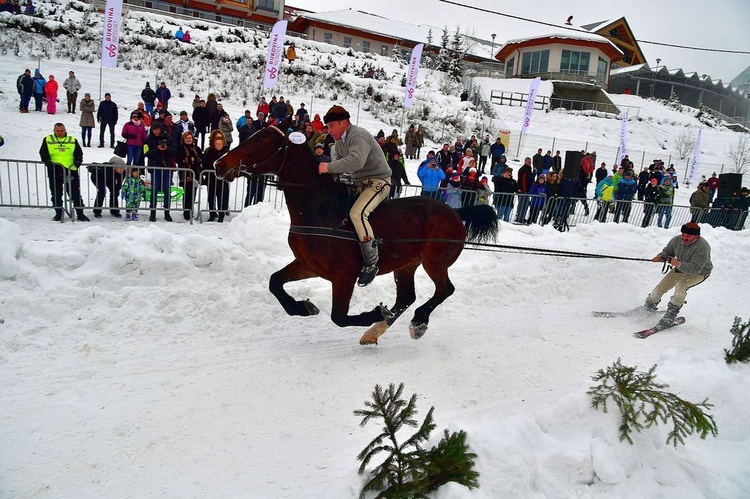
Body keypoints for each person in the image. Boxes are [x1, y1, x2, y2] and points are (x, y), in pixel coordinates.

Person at [317, 105, 392, 287]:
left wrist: (328, 168)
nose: (329, 130)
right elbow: (342, 166)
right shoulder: (340, 141)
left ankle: (372, 262)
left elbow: (355, 162)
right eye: (327, 126)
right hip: (359, 183)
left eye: (332, 125)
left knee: (357, 213)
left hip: (378, 181)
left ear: (344, 123)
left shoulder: (357, 134)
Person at [643, 222, 712, 330]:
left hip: (699, 272)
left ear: (697, 236)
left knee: (681, 286)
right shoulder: (676, 240)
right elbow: (667, 251)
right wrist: (661, 257)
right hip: (680, 268)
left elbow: (696, 268)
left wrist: (678, 264)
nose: (684, 237)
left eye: (688, 236)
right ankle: (649, 306)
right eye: (683, 234)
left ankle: (670, 316)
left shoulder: (703, 247)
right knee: (662, 286)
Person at [38, 123, 89, 222]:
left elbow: (78, 153)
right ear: (54, 130)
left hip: (70, 170)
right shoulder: (48, 139)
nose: (60, 133)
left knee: (75, 194)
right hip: (54, 170)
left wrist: (78, 161)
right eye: (58, 131)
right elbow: (43, 152)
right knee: (56, 193)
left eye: (62, 131)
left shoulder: (72, 140)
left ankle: (80, 213)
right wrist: (47, 161)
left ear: (65, 130)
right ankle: (58, 214)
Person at [144, 122, 177, 222]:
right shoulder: (148, 139)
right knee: (154, 191)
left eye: (158, 130)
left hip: (167, 168)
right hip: (155, 168)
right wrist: (157, 150)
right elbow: (146, 153)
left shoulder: (169, 138)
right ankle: (152, 213)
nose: (157, 132)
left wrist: (167, 148)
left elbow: (175, 150)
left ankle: (167, 213)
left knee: (167, 191)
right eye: (155, 130)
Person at [202, 129, 231, 222]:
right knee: (211, 197)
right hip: (212, 178)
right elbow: (206, 163)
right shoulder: (210, 152)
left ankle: (221, 215)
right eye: (217, 144)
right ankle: (212, 213)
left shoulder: (226, 152)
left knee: (221, 197)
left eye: (220, 144)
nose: (218, 146)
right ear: (214, 144)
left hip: (223, 179)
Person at [176, 131, 203, 220]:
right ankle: (186, 212)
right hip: (186, 174)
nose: (188, 140)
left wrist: (194, 160)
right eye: (187, 138)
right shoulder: (180, 148)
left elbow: (200, 158)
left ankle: (190, 210)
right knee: (187, 193)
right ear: (184, 139)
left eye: (190, 138)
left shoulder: (197, 148)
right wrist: (188, 160)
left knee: (193, 193)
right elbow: (179, 159)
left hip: (196, 173)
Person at [514, 157, 533, 223]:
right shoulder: (523, 169)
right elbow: (520, 179)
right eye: (528, 161)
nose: (529, 162)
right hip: (523, 190)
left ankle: (523, 217)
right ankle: (519, 217)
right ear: (525, 161)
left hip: (528, 190)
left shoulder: (530, 169)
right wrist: (521, 188)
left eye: (530, 161)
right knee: (521, 204)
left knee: (526, 204)